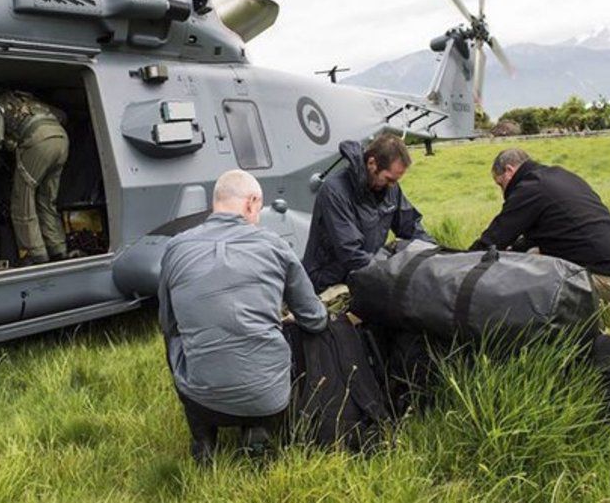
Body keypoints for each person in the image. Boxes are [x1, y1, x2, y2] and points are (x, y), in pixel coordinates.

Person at [158, 170, 328, 463]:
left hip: (200, 398)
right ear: (251, 203)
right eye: (259, 208)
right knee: (287, 335)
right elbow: (314, 319)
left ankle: (203, 436)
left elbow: (168, 322)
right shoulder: (275, 245)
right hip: (267, 398)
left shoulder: (175, 248)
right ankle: (258, 428)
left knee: (173, 338)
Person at [470, 148, 610, 305]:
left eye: (501, 184)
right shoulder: (559, 176)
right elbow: (543, 236)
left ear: (509, 170)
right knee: (532, 254)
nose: (503, 192)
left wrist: (462, 261)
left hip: (607, 274)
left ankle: (596, 300)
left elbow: (495, 238)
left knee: (521, 273)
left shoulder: (528, 188)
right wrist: (514, 248)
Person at [302, 133, 433, 291]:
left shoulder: (390, 189)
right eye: (389, 179)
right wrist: (391, 272)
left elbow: (410, 226)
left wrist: (435, 253)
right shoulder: (334, 191)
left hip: (364, 273)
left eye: (395, 181)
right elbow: (351, 253)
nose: (392, 185)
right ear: (372, 163)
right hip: (328, 281)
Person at [0, 89, 70, 266]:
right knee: (47, 200)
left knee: (23, 199)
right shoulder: (32, 102)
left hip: (38, 141)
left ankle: (34, 253)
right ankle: (58, 249)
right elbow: (62, 116)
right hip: (61, 140)